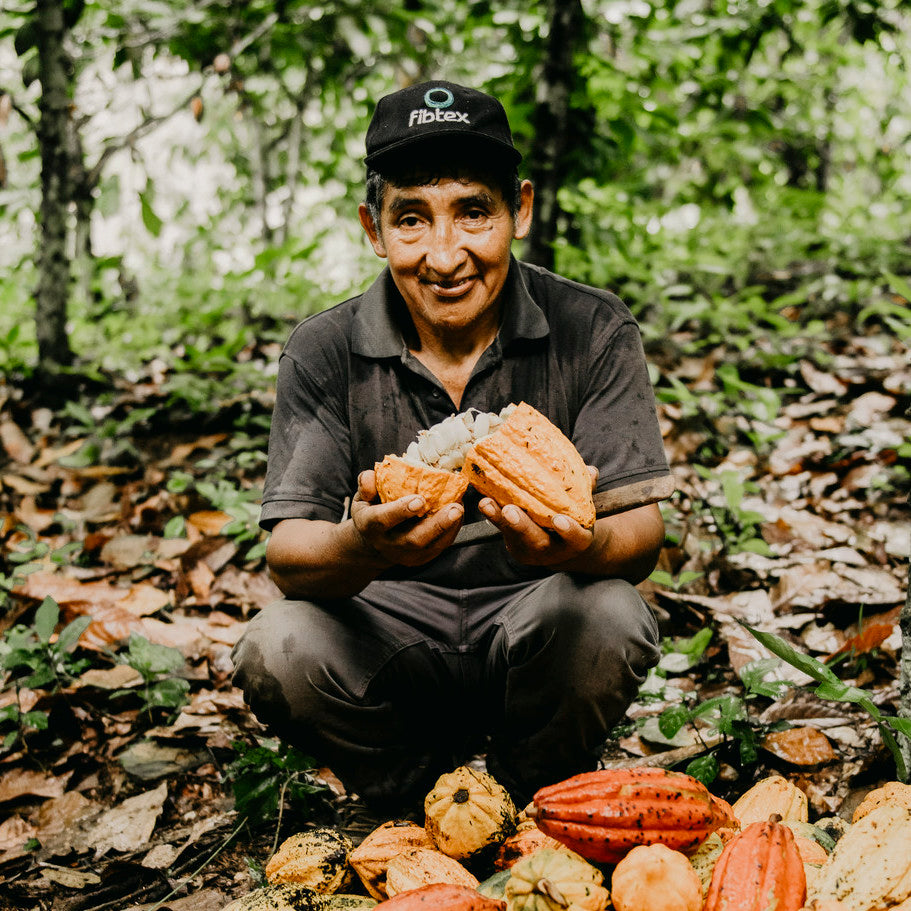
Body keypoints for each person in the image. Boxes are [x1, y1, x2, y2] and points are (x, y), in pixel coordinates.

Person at [231, 80, 672, 810]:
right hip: (389, 636)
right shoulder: (323, 348)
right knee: (276, 644)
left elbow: (641, 534)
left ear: (519, 210)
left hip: (536, 624)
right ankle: (416, 798)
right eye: (411, 219)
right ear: (373, 229)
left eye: (473, 212)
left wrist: (579, 545)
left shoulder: (592, 328)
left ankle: (531, 792)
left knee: (611, 616)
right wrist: (362, 546)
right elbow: (288, 554)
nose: (444, 257)